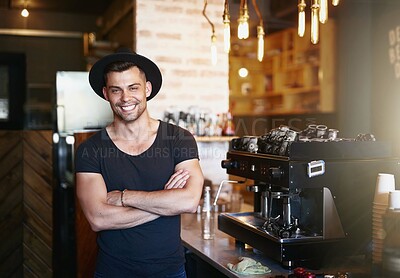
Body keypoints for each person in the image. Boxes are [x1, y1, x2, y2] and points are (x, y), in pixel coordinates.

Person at [74, 48, 204, 278]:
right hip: (112, 272)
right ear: (106, 94)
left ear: (147, 89)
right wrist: (165, 201)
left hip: (170, 271)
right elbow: (98, 218)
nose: (125, 98)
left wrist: (124, 197)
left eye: (133, 88)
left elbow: (189, 200)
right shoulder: (90, 149)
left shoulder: (179, 138)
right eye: (116, 90)